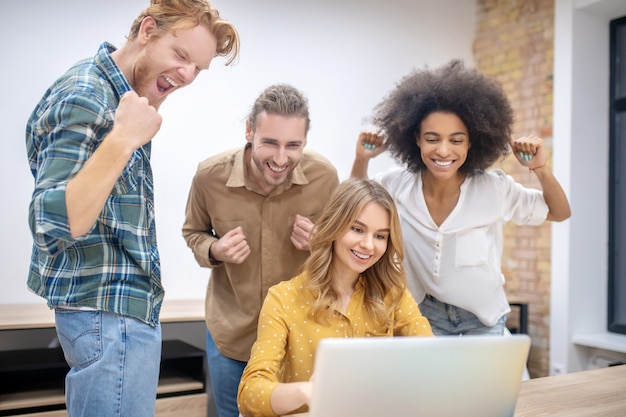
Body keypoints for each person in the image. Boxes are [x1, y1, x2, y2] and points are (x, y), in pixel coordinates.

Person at [25, 2, 239, 416]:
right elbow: (51, 225)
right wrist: (123, 138)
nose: (188, 76)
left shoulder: (123, 98)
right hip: (110, 320)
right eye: (181, 56)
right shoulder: (89, 97)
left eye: (199, 68)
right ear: (147, 30)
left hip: (116, 318)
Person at [351, 60, 571, 337]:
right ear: (416, 138)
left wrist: (540, 168)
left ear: (471, 142)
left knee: (485, 383)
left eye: (456, 140)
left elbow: (560, 212)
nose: (443, 151)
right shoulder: (396, 185)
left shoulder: (494, 188)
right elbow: (354, 208)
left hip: (484, 321)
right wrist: (362, 159)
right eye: (432, 139)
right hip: (422, 315)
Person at [181, 83, 339, 417]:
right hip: (232, 335)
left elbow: (343, 250)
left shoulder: (325, 177)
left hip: (298, 338)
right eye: (270, 143)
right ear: (250, 132)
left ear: (305, 141)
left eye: (293, 145)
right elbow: (193, 232)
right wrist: (215, 249)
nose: (281, 159)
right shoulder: (210, 177)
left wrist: (320, 245)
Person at [237, 178, 433, 417]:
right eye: (357, 229)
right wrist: (305, 391)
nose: (368, 245)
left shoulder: (393, 294)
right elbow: (250, 394)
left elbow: (432, 357)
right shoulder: (283, 298)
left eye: (380, 236)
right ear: (334, 226)